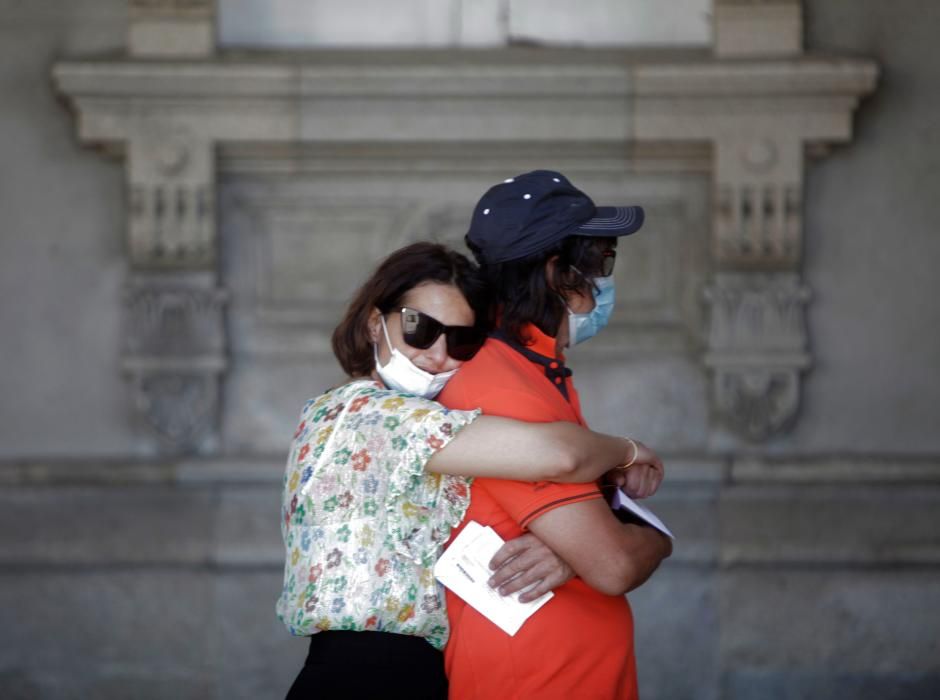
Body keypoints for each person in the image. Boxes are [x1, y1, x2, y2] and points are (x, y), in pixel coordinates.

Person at [276, 242, 664, 699]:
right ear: (373, 323)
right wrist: (630, 451)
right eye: (420, 328)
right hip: (362, 674)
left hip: (422, 671)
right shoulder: (364, 415)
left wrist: (567, 552)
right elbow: (560, 455)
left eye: (460, 340)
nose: (438, 355)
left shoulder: (433, 432)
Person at [438, 170, 673, 699]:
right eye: (602, 259)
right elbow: (612, 565)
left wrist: (576, 551)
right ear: (555, 272)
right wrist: (658, 539)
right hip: (534, 678)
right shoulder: (499, 381)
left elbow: (594, 546)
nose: (606, 279)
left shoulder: (534, 367)